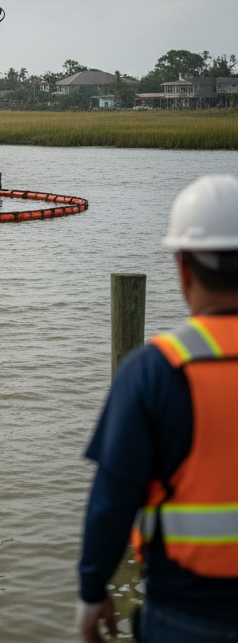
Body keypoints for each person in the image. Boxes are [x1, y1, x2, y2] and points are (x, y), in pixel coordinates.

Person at [77, 174, 238, 642]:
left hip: (185, 615)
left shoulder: (155, 371)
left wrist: (92, 591)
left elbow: (112, 501)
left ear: (183, 267)